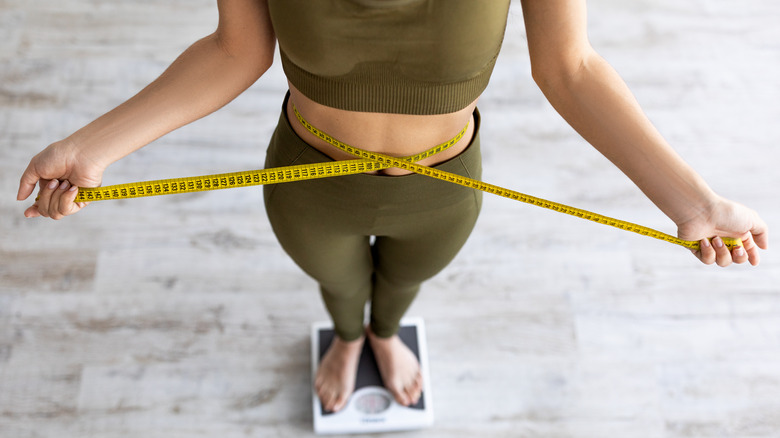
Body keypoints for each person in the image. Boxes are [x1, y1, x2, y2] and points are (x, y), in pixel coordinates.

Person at [16, 0, 768, 414]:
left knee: (405, 285)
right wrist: (95, 146)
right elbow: (234, 51)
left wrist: (693, 202)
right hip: (310, 180)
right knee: (338, 285)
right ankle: (349, 336)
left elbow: (569, 68)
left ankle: (382, 332)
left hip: (445, 187)